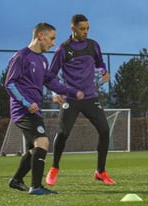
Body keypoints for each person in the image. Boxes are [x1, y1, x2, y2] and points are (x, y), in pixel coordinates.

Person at [5, 22, 84, 195]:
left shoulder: (42, 60)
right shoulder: (21, 57)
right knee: (43, 142)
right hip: (24, 110)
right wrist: (26, 103)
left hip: (34, 109)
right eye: (52, 38)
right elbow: (10, 84)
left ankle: (16, 180)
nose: (53, 43)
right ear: (40, 36)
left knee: (34, 149)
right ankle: (36, 187)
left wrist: (72, 91)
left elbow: (51, 81)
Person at [46, 14, 115, 186]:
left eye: (87, 29)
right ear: (73, 28)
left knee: (105, 130)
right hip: (71, 98)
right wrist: (54, 92)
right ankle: (54, 168)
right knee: (63, 133)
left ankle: (101, 171)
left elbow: (100, 63)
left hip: (90, 97)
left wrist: (104, 72)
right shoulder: (63, 49)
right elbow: (50, 76)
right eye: (82, 28)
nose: (85, 32)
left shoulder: (93, 45)